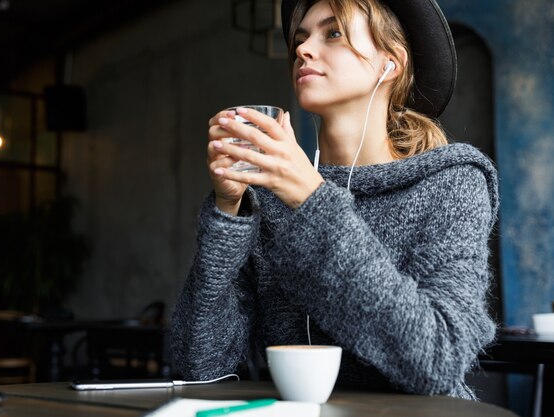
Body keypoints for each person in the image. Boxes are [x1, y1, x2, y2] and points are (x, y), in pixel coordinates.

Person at [172, 0, 498, 399]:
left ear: (389, 64)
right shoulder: (268, 197)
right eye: (301, 38)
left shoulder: (452, 184)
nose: (304, 50)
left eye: (334, 33)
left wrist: (310, 199)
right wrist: (228, 211)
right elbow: (198, 367)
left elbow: (437, 360)